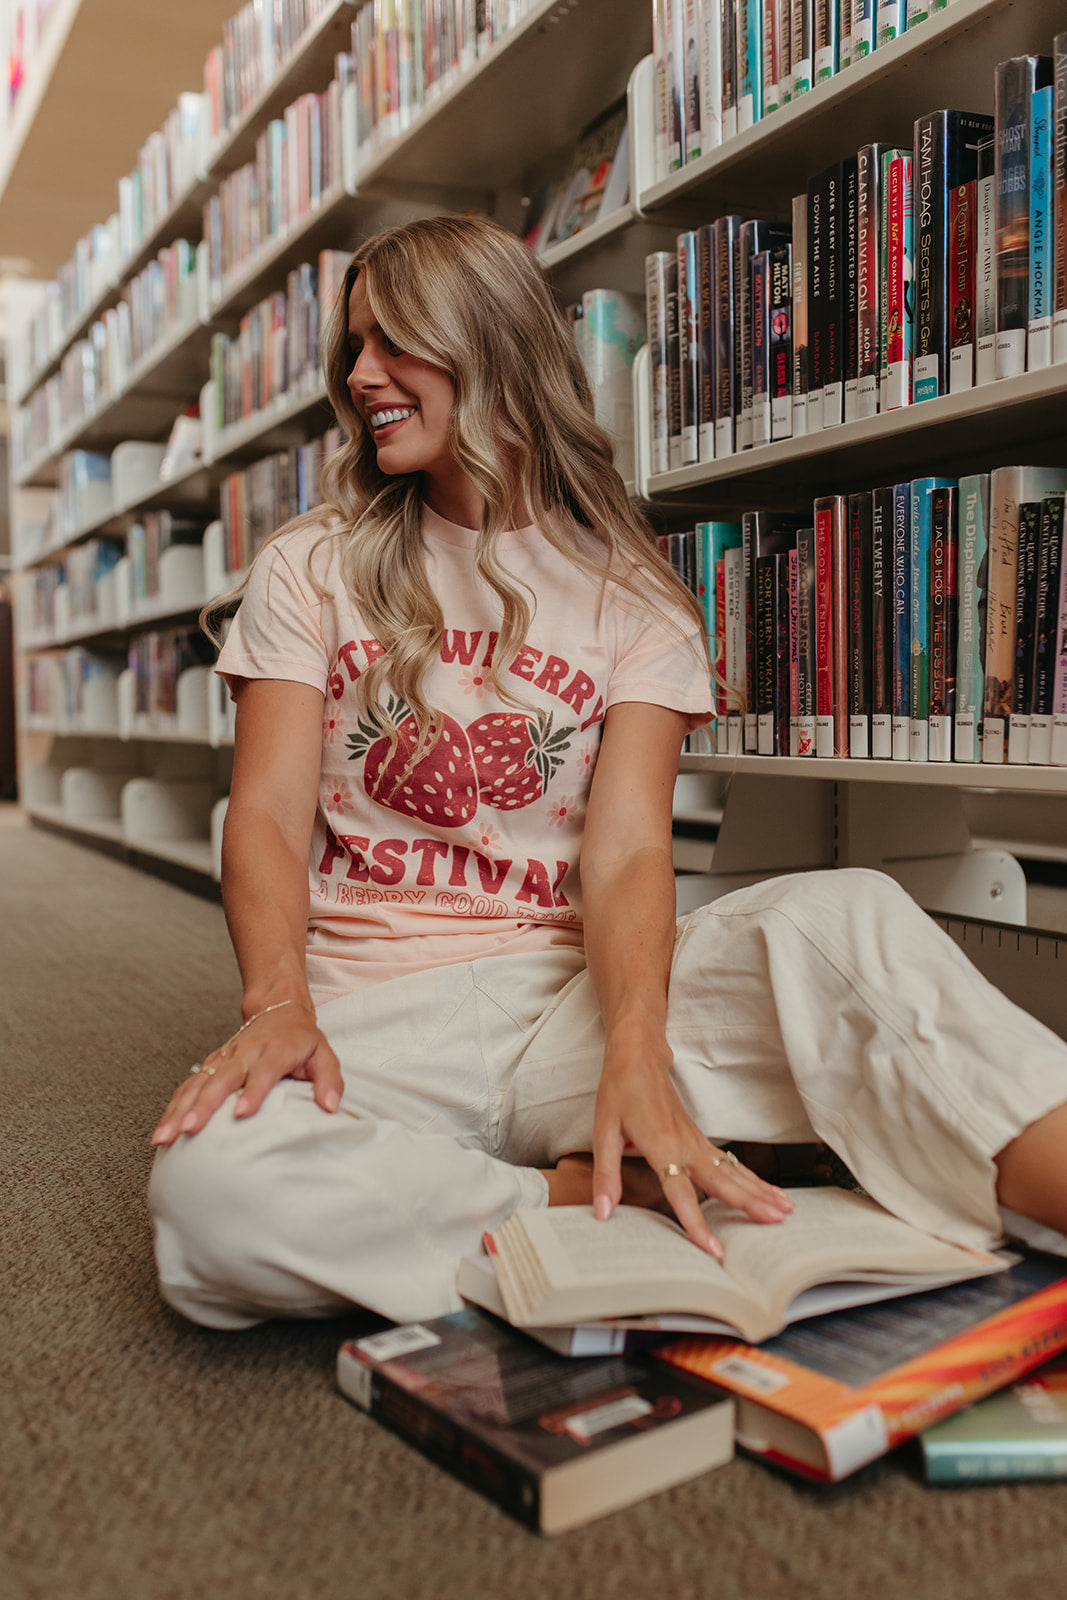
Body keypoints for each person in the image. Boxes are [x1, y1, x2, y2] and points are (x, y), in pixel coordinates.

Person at [149, 214, 1067, 1331]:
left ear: (487, 343)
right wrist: (278, 1003)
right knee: (208, 1189)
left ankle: (1032, 1181)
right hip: (368, 1023)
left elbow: (629, 845)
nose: (358, 376)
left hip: (568, 1008)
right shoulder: (309, 566)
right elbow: (268, 811)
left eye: (393, 343)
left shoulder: (631, 592)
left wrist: (633, 1048)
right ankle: (573, 1192)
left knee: (845, 918)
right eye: (355, 347)